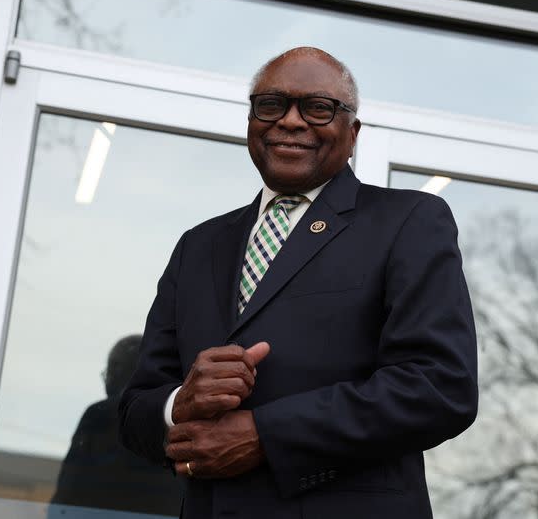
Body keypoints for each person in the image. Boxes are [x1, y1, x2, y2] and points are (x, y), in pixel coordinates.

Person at [118, 47, 478, 519]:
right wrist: (178, 405)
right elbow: (135, 410)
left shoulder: (409, 221)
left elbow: (439, 386)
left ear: (352, 134)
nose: (289, 121)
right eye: (271, 104)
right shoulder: (198, 246)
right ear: (251, 121)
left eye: (317, 107)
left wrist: (266, 435)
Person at [49, 335, 181, 517]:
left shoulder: (100, 416)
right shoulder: (175, 417)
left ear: (118, 370)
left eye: (108, 371)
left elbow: (68, 489)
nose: (106, 380)